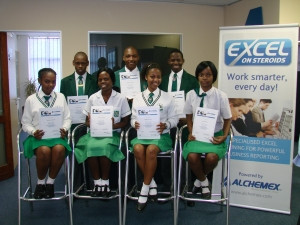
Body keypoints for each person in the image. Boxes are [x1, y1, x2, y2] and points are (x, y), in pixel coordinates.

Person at [74, 68, 131, 197]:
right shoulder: (93, 98)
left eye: (106, 79)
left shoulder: (121, 98)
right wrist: (92, 123)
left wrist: (113, 125)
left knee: (104, 147)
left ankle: (105, 182)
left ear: (112, 81)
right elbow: (86, 122)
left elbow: (125, 121)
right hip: (94, 134)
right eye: (100, 80)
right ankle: (97, 182)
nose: (103, 82)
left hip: (113, 134)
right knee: (90, 146)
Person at [130, 63, 178, 211]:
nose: (155, 79)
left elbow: (175, 119)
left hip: (160, 136)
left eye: (158, 77)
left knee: (151, 150)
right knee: (137, 148)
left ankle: (144, 189)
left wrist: (167, 125)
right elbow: (133, 118)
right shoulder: (138, 97)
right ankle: (152, 184)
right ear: (146, 77)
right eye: (152, 76)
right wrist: (134, 124)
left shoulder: (167, 97)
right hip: (142, 135)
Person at [182, 61, 231, 199]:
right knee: (192, 156)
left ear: (213, 76)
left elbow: (228, 118)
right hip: (198, 136)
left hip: (215, 136)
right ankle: (204, 181)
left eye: (208, 75)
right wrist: (191, 132)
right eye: (201, 74)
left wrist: (224, 136)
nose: (205, 78)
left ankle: (199, 180)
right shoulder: (191, 94)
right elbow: (188, 116)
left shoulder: (221, 95)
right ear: (197, 76)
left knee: (211, 157)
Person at [21, 68, 72, 199]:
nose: (50, 85)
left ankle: (50, 183)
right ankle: (40, 183)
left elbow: (67, 118)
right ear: (40, 81)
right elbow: (25, 122)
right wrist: (33, 132)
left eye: (53, 82)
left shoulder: (60, 97)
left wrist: (65, 129)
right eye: (47, 81)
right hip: (38, 137)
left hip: (57, 136)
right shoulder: (31, 100)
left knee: (59, 149)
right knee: (44, 151)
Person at [60, 51, 99, 189]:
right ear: (73, 63)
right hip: (72, 124)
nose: (80, 66)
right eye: (78, 63)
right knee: (74, 154)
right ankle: (76, 185)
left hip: (90, 124)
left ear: (87, 63)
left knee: (90, 152)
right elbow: (63, 104)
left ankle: (90, 183)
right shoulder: (65, 82)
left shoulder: (95, 80)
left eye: (83, 63)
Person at [160, 48, 199, 127]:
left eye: (178, 60)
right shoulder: (162, 80)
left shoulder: (193, 80)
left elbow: (197, 103)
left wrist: (189, 118)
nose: (176, 62)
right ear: (168, 61)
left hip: (185, 123)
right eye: (173, 60)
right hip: (166, 123)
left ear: (183, 61)